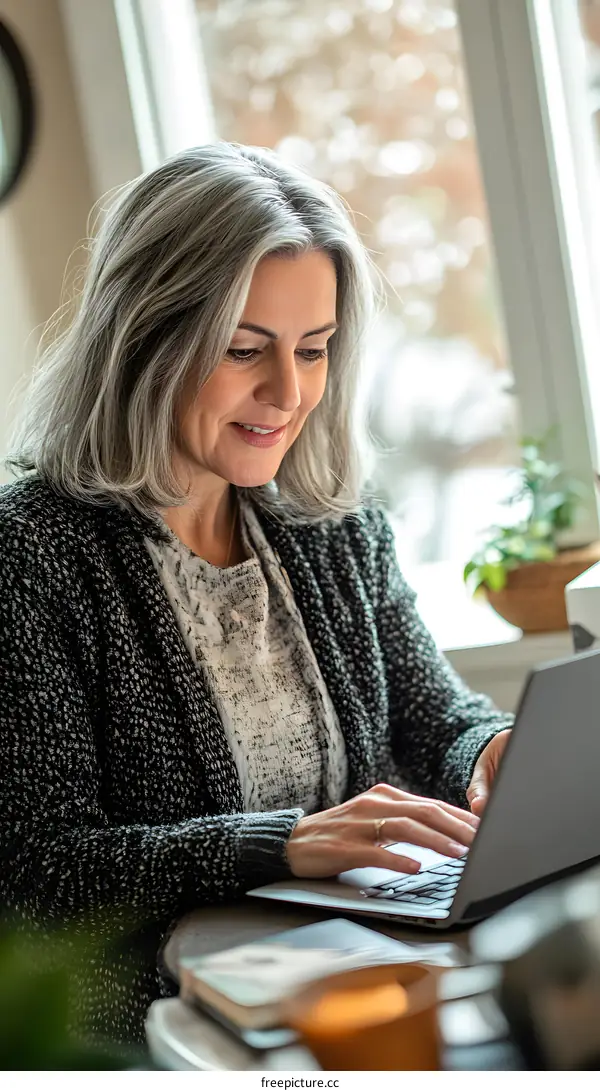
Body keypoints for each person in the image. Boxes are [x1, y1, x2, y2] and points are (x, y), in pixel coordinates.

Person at [0, 142, 513, 1047]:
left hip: (351, 987)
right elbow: (39, 868)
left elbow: (436, 716)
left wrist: (489, 750)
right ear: (146, 335)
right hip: (154, 1028)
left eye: (314, 350)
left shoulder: (330, 525)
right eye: (245, 351)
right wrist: (275, 842)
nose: (289, 392)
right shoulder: (32, 552)